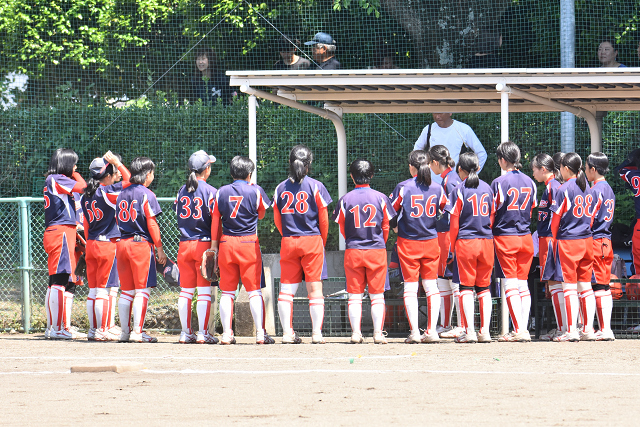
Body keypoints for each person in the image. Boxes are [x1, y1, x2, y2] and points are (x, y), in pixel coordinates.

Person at [332, 159, 396, 344]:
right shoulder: (381, 197)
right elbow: (386, 226)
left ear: (351, 177)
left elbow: (342, 227)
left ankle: (355, 333)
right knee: (377, 296)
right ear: (372, 175)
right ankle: (377, 334)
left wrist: (352, 241)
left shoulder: (345, 199)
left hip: (353, 250)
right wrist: (380, 243)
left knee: (354, 295)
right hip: (376, 250)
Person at [273, 145, 332, 344]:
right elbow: (324, 220)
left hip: (289, 240)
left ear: (290, 163)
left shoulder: (280, 187)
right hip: (312, 240)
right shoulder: (316, 186)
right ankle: (316, 334)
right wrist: (320, 241)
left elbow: (277, 219)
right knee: (315, 290)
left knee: (286, 291)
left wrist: (288, 235)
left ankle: (287, 334)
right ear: (308, 166)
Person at [211, 156, 273, 345]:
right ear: (249, 174)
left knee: (227, 291)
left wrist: (214, 246)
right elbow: (261, 214)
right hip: (248, 244)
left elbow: (215, 220)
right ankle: (261, 334)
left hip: (226, 243)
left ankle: (227, 334)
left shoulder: (220, 192)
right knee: (254, 291)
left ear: (231, 173)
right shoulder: (255, 190)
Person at [390, 150, 447, 344]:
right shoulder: (437, 187)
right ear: (430, 164)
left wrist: (395, 227)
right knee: (432, 287)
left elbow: (390, 211)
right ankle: (431, 331)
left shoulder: (404, 187)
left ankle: (414, 332)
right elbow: (446, 211)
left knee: (410, 288)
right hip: (431, 242)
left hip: (408, 243)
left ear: (411, 166)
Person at [116, 157, 166, 343]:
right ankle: (137, 332)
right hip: (140, 245)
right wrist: (159, 248)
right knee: (142, 290)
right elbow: (152, 223)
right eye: (152, 172)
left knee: (127, 291)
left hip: (121, 243)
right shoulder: (147, 193)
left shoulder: (121, 193)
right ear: (147, 174)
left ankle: (124, 333)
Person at [446, 151, 495, 343]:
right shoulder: (488, 188)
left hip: (466, 242)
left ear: (460, 170)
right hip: (487, 241)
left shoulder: (459, 189)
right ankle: (485, 332)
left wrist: (452, 246)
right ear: (478, 167)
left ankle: (470, 332)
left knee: (466, 287)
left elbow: (454, 222)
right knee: (484, 288)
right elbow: (491, 216)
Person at [82, 151, 131, 341]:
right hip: (106, 244)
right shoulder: (107, 192)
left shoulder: (86, 194)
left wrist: (88, 243)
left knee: (93, 290)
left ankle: (94, 329)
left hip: (92, 243)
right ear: (107, 176)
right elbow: (131, 181)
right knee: (103, 289)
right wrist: (118, 162)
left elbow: (85, 224)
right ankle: (103, 329)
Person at [491, 142, 537, 342]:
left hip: (505, 237)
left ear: (502, 160)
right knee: (522, 284)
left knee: (509, 284)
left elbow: (492, 212)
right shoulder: (531, 182)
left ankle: (519, 330)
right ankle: (523, 328)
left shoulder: (499, 182)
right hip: (526, 237)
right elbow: (531, 209)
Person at [174, 150, 219, 345]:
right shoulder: (211, 191)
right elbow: (216, 220)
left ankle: (186, 333)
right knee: (203, 292)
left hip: (184, 244)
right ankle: (203, 333)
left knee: (185, 291)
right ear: (206, 169)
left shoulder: (182, 190)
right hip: (203, 244)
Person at [550, 153, 594, 342]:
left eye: (560, 167)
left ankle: (571, 330)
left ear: (566, 168)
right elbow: (591, 218)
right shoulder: (588, 187)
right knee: (585, 287)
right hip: (587, 240)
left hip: (569, 241)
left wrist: (553, 239)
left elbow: (555, 220)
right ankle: (587, 330)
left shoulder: (564, 188)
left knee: (568, 287)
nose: (559, 170)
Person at [43, 148, 86, 340]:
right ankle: (57, 328)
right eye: (73, 163)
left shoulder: (55, 179)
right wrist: (75, 173)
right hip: (60, 232)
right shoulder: (57, 178)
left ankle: (55, 327)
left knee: (55, 282)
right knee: (59, 281)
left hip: (60, 231)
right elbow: (83, 186)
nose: (76, 167)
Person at [428, 145, 464, 338]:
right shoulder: (448, 179)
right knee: (443, 280)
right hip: (445, 235)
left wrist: (451, 244)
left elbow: (453, 215)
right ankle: (445, 324)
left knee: (453, 280)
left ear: (435, 162)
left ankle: (460, 325)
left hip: (449, 236)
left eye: (429, 163)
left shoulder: (450, 181)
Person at [531, 153, 564, 341]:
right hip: (546, 240)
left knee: (555, 283)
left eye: (535, 169)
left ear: (543, 169)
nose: (533, 173)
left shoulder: (554, 186)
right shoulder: (550, 186)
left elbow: (557, 218)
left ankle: (563, 328)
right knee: (553, 285)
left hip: (550, 240)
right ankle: (561, 327)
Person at [585, 152, 615, 341]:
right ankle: (606, 328)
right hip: (606, 240)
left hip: (595, 240)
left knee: (596, 285)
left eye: (586, 169)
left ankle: (603, 329)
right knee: (604, 285)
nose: (585, 172)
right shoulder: (609, 188)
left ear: (593, 170)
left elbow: (589, 218)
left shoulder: (595, 189)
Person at [413, 113, 487, 185]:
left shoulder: (463, 129)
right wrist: (422, 175)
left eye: (441, 113)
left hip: (455, 183)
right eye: (435, 113)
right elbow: (416, 153)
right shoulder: (428, 129)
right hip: (431, 183)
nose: (437, 116)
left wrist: (469, 176)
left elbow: (482, 153)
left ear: (450, 112)